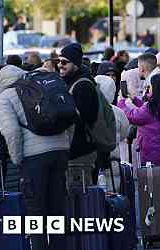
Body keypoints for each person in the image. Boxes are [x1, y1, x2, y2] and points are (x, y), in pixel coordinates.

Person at [0, 65, 70, 250]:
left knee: (35, 214)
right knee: (56, 211)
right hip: (60, 151)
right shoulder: (43, 86)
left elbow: (11, 132)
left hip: (33, 158)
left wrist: (17, 158)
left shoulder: (4, 98)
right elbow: (70, 117)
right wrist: (64, 145)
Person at [118, 72, 160, 166]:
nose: (148, 89)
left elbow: (132, 116)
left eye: (150, 86)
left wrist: (121, 102)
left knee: (153, 179)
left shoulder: (152, 107)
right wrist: (134, 99)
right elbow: (148, 113)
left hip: (152, 154)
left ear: (156, 88)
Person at [58, 43, 99, 181]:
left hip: (80, 153)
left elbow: (86, 118)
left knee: (81, 197)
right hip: (76, 151)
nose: (60, 65)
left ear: (75, 64)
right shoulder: (72, 82)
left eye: (64, 62)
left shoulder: (82, 86)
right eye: (58, 61)